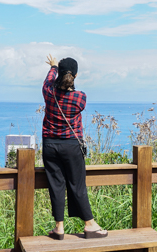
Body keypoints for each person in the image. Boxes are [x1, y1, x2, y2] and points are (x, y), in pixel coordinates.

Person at [41, 54, 108, 239]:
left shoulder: (48, 92)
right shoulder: (80, 98)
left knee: (56, 185)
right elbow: (68, 89)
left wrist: (53, 67)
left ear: (59, 74)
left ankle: (59, 228)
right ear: (75, 76)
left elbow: (48, 80)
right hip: (72, 145)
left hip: (50, 145)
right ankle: (89, 224)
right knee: (77, 185)